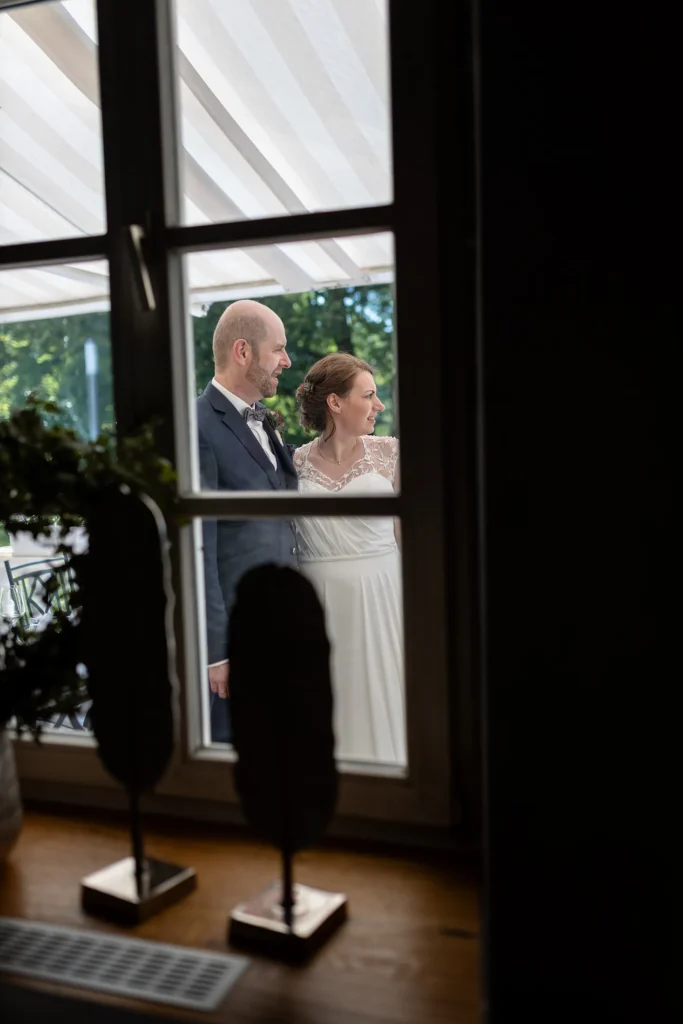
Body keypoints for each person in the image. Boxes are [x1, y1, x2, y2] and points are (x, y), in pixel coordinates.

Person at [293, 353, 406, 764]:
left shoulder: (391, 453)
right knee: (332, 700)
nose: (379, 405)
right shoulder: (294, 464)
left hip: (385, 596)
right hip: (320, 601)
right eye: (369, 395)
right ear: (335, 403)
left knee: (385, 691)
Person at [197, 299, 298, 743]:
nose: (287, 361)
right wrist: (216, 650)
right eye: (278, 349)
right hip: (237, 637)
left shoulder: (268, 424)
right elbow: (197, 546)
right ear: (243, 351)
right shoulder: (198, 426)